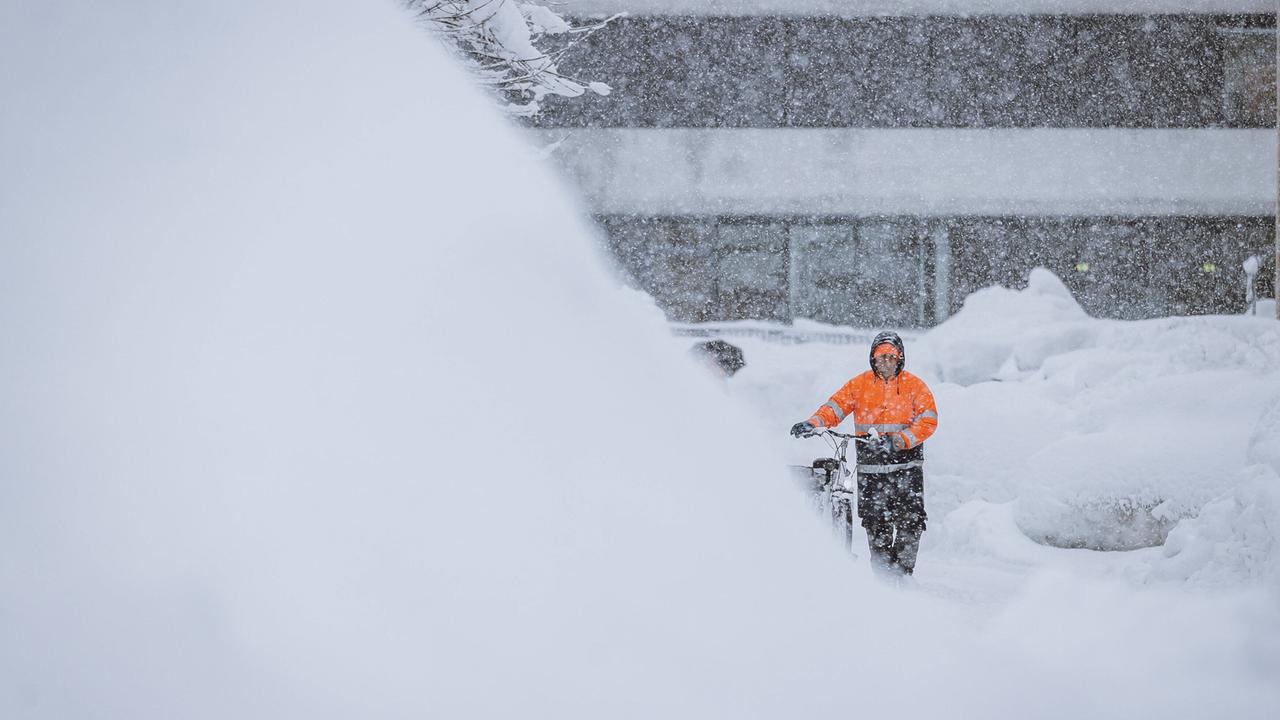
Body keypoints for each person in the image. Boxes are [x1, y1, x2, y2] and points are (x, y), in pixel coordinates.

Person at [790, 331, 938, 576]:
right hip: (871, 469)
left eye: (891, 357)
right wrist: (813, 423)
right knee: (874, 523)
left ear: (900, 358)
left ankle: (903, 573)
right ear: (873, 359)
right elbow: (835, 408)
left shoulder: (915, 386)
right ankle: (883, 577)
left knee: (910, 522)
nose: (886, 362)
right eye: (880, 358)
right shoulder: (859, 385)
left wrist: (900, 441)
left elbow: (928, 421)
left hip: (906, 468)